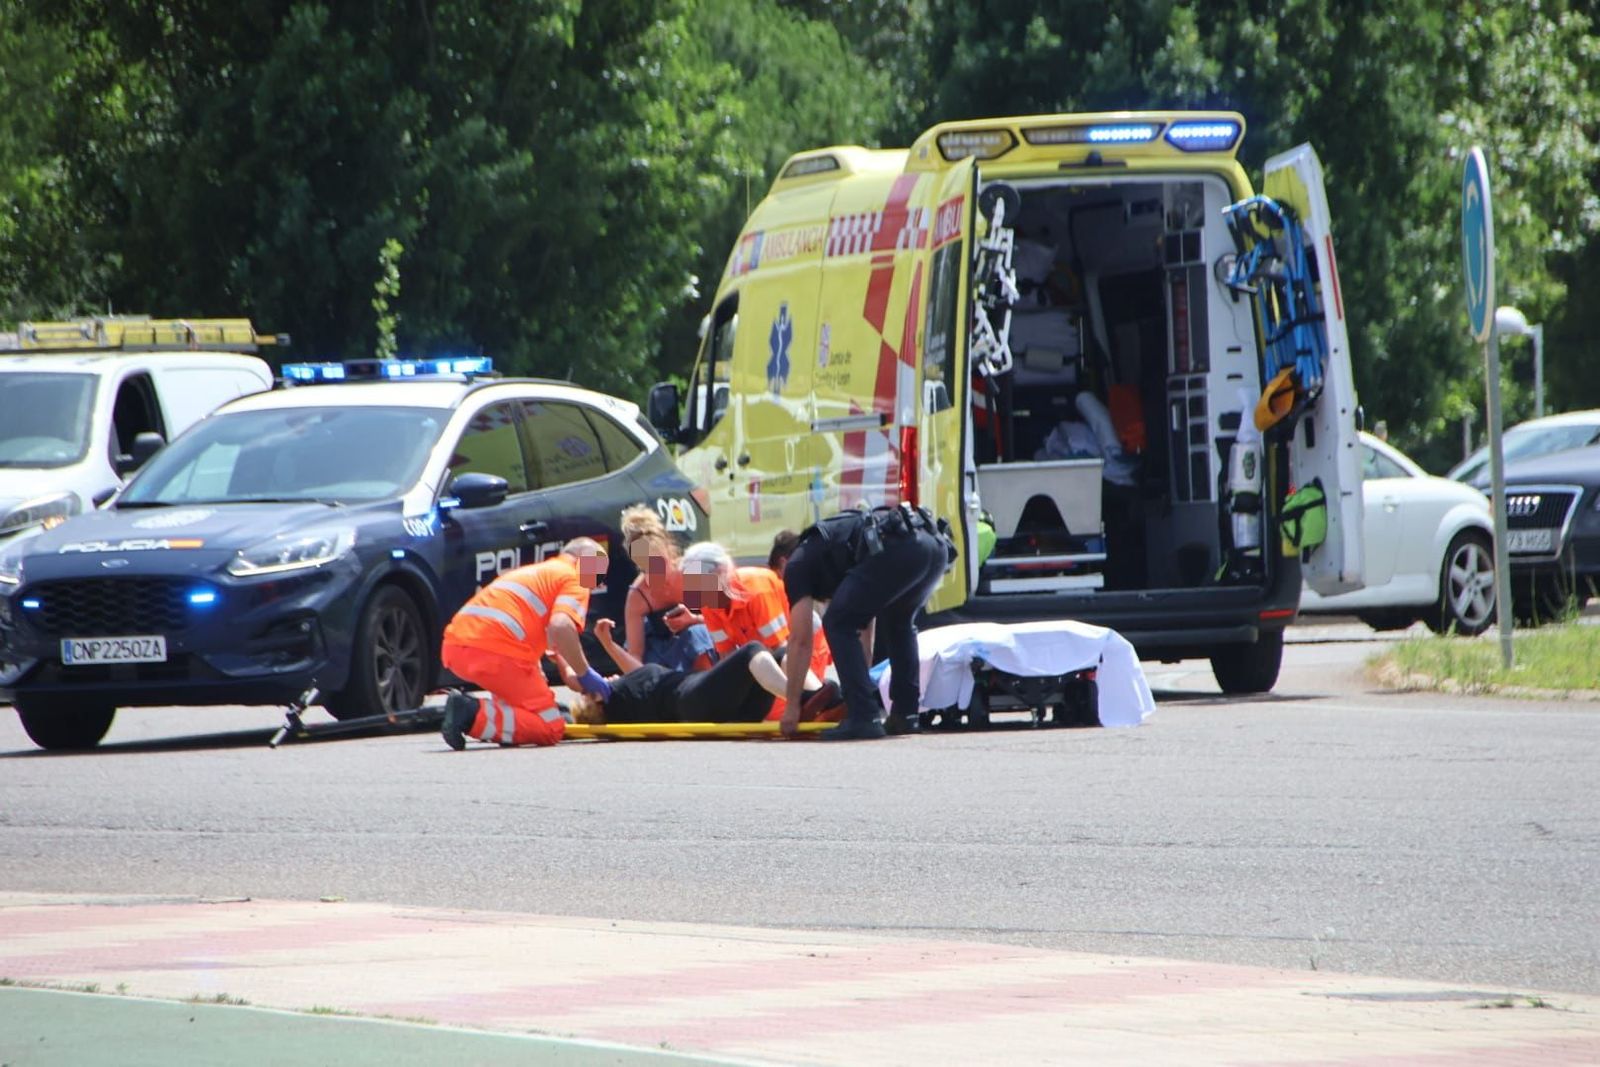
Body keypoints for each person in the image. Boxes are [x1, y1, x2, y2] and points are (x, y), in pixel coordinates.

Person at [781, 504, 954, 741]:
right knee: (898, 622)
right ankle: (905, 714)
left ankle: (864, 717)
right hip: (933, 544)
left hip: (897, 547)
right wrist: (860, 687)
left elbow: (800, 641)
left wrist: (791, 709)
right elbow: (863, 625)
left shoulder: (795, 566)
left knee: (837, 622)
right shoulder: (833, 552)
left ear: (781, 562)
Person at [439, 538, 610, 750]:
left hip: (457, 647)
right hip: (497, 652)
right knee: (550, 726)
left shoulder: (539, 572)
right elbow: (561, 625)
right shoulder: (575, 578)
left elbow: (543, 632)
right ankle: (471, 713)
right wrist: (585, 673)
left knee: (523, 714)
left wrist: (565, 675)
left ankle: (500, 724)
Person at [568, 617, 840, 726]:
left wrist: (608, 644)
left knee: (777, 654)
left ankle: (820, 700)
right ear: (598, 699)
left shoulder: (629, 691)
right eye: (595, 690)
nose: (606, 679)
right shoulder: (614, 696)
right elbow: (585, 679)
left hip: (718, 705)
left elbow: (635, 671)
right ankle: (801, 701)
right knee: (752, 650)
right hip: (693, 700)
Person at [619, 504, 718, 672]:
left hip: (702, 638)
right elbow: (635, 653)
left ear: (668, 552)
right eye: (647, 566)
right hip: (661, 649)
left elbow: (726, 620)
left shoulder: (692, 570)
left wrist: (693, 619)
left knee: (697, 634)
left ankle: (707, 682)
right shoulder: (638, 594)